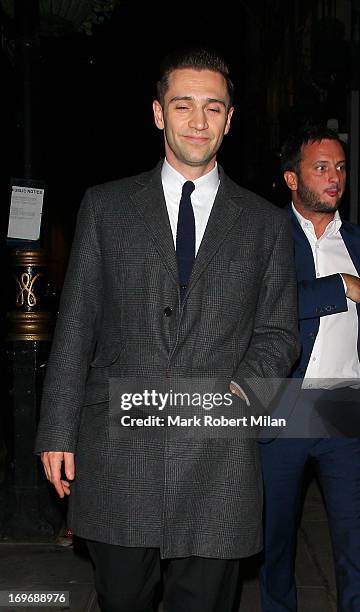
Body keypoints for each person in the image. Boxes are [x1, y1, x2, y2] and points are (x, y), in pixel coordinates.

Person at [35, 47, 298, 612]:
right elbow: (76, 325)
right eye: (183, 106)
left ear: (229, 119)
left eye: (213, 107)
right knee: (121, 600)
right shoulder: (106, 208)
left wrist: (238, 396)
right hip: (118, 458)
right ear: (158, 113)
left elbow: (279, 332)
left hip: (217, 459)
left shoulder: (264, 224)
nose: (198, 121)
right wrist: (56, 428)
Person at [259, 125, 360, 612]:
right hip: (281, 406)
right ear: (292, 178)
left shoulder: (358, 241)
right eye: (321, 167)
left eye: (340, 167)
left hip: (345, 409)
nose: (334, 177)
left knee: (355, 542)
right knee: (274, 541)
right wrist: (340, 285)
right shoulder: (264, 236)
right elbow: (260, 308)